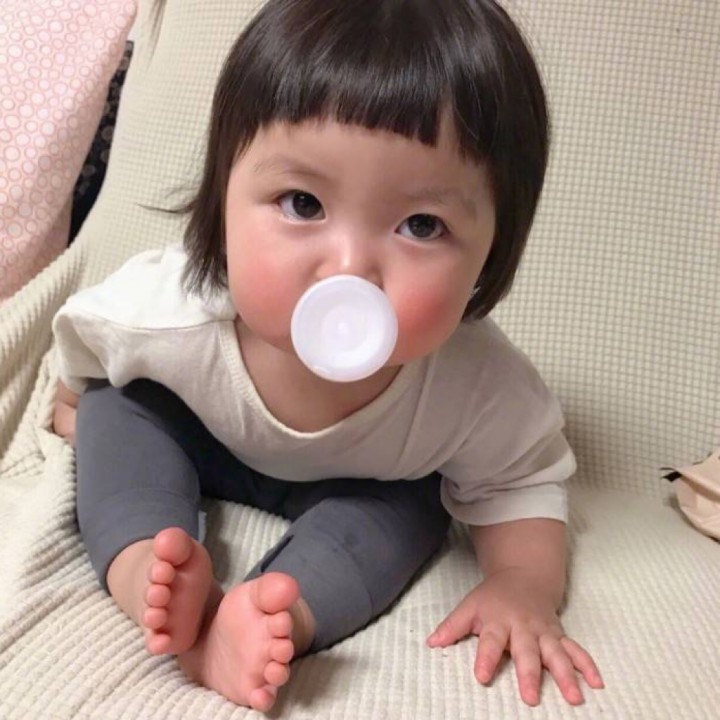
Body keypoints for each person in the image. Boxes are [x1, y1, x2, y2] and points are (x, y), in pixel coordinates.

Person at [52, 0, 604, 712]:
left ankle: (275, 619)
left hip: (362, 480)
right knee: (119, 413)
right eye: (303, 204)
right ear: (223, 202)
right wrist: (75, 400)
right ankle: (151, 580)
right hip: (197, 432)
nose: (350, 269)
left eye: (421, 225)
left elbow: (522, 485)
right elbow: (89, 336)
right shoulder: (174, 313)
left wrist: (522, 585)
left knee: (414, 509)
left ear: (492, 253)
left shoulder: (474, 387)